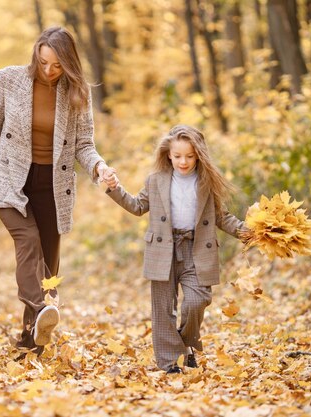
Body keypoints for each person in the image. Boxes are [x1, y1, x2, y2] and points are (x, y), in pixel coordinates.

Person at [0, 27, 115, 357]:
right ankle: (42, 309)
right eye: (43, 63)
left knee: (49, 269)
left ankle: (30, 346)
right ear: (35, 55)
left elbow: (84, 144)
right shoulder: (9, 79)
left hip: (53, 186)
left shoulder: (77, 91)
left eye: (57, 66)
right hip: (11, 179)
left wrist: (99, 167)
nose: (49, 71)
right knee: (28, 242)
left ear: (68, 64)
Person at [104, 124, 246, 373]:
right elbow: (137, 206)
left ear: (198, 155)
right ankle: (170, 362)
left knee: (196, 301)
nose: (184, 162)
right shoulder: (156, 180)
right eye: (178, 156)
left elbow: (221, 217)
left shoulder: (206, 182)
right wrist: (114, 188)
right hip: (163, 249)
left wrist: (247, 232)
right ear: (168, 154)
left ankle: (185, 344)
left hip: (196, 248)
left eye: (190, 156)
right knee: (162, 310)